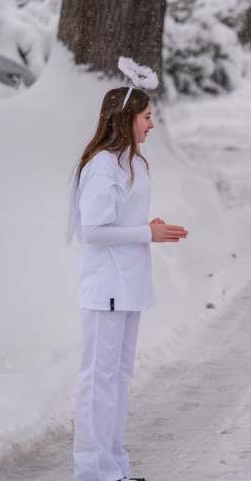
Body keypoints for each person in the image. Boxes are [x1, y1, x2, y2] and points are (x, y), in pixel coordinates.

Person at [68, 82, 189, 481]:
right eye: (147, 116)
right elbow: (94, 231)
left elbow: (120, 222)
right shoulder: (102, 165)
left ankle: (113, 466)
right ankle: (92, 470)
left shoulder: (132, 162)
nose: (152, 124)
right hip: (106, 289)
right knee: (98, 381)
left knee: (117, 379)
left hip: (129, 285)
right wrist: (145, 234)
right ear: (126, 119)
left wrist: (145, 226)